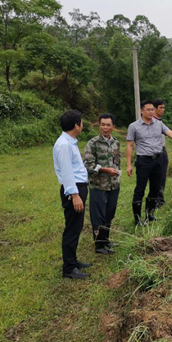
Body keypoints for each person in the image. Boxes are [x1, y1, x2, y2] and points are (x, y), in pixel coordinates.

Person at [126, 100, 172, 226]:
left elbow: (170, 133)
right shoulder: (134, 126)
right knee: (140, 189)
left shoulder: (159, 124)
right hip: (143, 161)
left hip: (158, 160)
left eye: (152, 109)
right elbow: (130, 145)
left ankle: (150, 215)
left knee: (155, 188)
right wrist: (129, 164)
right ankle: (137, 219)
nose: (151, 112)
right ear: (142, 111)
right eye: (148, 109)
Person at [53, 110, 91, 279]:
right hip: (73, 190)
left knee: (76, 227)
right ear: (76, 125)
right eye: (81, 122)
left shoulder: (70, 142)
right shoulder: (63, 145)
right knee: (72, 229)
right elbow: (67, 172)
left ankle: (73, 261)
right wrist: (75, 195)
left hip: (78, 188)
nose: (82, 125)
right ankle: (68, 268)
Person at [84, 113, 121, 255]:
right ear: (99, 125)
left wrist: (116, 173)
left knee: (109, 214)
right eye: (103, 125)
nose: (105, 127)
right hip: (98, 186)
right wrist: (106, 170)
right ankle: (99, 245)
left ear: (113, 126)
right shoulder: (92, 143)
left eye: (108, 125)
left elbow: (117, 162)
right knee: (98, 216)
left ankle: (106, 240)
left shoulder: (116, 142)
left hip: (113, 185)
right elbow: (89, 166)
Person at [152, 99, 168, 208]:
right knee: (157, 177)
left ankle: (160, 199)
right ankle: (157, 201)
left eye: (163, 107)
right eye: (160, 108)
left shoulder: (160, 121)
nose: (163, 110)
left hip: (163, 150)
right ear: (155, 108)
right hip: (156, 151)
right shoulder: (152, 122)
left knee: (162, 177)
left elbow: (169, 132)